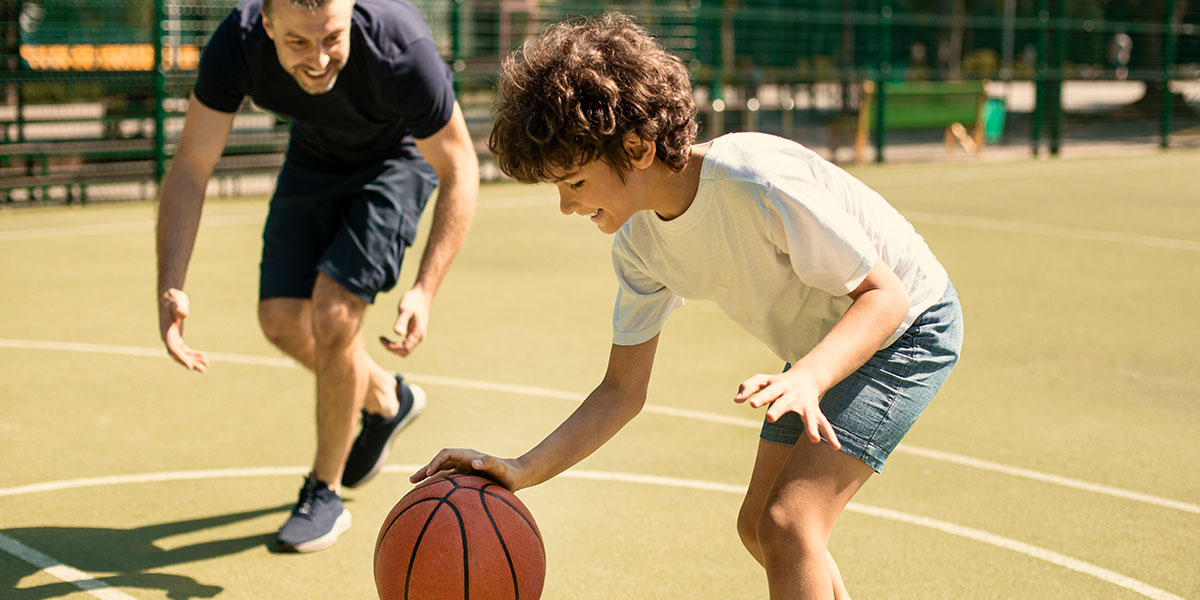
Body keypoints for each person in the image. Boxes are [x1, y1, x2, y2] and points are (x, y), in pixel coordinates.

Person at [411, 14, 961, 599]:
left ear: (637, 147)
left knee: (789, 524)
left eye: (573, 181)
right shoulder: (639, 245)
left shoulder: (756, 183)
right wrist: (522, 469)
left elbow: (885, 296)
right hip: (823, 347)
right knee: (760, 529)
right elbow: (622, 390)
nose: (566, 207)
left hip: (907, 326)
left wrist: (809, 375)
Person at [155, 0, 478, 553]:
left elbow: (459, 165)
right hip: (314, 150)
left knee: (333, 314)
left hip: (396, 159)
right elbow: (190, 166)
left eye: (331, 37)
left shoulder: (399, 49)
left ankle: (323, 494)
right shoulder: (235, 43)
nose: (319, 58)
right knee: (280, 320)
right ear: (266, 24)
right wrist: (172, 281)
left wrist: (425, 288)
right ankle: (385, 397)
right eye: (298, 43)